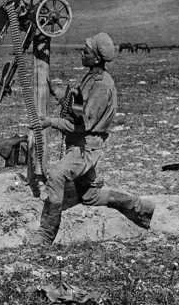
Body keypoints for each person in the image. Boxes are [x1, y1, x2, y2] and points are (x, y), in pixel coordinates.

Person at [29, 32, 155, 246]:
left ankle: (45, 234)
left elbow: (84, 124)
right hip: (80, 142)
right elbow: (79, 107)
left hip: (86, 147)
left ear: (97, 58)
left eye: (86, 52)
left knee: (57, 175)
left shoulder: (102, 86)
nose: (82, 53)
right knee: (89, 196)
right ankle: (140, 207)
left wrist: (50, 122)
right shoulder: (92, 77)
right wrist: (60, 95)